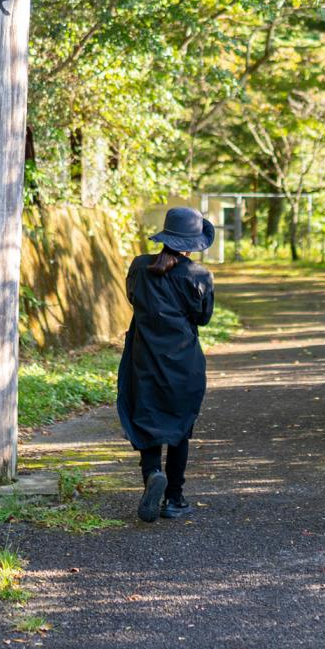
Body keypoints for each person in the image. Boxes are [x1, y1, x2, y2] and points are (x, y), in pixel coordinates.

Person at [119, 206, 217, 522]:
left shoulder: (139, 266)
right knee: (180, 426)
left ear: (166, 235)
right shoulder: (199, 275)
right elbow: (203, 317)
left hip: (143, 355)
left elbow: (133, 299)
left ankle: (151, 475)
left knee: (146, 415)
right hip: (183, 361)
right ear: (193, 243)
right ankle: (174, 499)